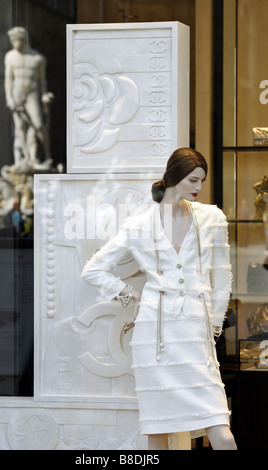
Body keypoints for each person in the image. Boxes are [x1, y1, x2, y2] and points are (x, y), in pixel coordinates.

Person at [81, 148, 237, 450]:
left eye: (202, 181)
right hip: (155, 339)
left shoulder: (212, 218)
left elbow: (222, 279)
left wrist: (213, 327)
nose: (198, 187)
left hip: (196, 338)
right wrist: (132, 294)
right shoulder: (138, 226)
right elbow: (93, 269)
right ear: (174, 176)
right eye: (193, 179)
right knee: (157, 432)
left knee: (222, 431)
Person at [4, 27, 54, 167]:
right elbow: (8, 79)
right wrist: (9, 98)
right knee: (20, 127)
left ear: (24, 39)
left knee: (38, 124)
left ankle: (47, 155)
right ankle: (25, 158)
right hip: (17, 93)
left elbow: (42, 81)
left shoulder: (38, 59)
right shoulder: (10, 56)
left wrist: (44, 95)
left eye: (16, 39)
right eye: (12, 40)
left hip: (32, 93)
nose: (14, 43)